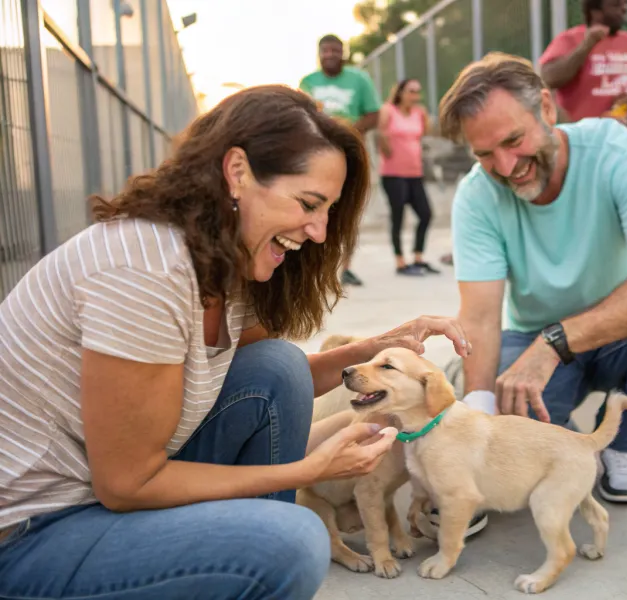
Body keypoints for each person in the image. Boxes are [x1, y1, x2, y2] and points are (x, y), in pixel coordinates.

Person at [0, 85, 471, 599]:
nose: (318, 232)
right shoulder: (143, 271)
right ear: (238, 172)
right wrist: (306, 470)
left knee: (279, 366)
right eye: (309, 203)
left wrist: (377, 349)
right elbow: (127, 484)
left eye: (328, 211)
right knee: (289, 543)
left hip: (99, 498)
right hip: (32, 534)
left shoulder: (227, 266)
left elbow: (282, 383)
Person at [435, 51, 627, 528]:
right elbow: (481, 317)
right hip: (530, 339)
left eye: (514, 140)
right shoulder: (476, 195)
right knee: (506, 422)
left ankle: (621, 443)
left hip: (621, 333)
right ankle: (563, 435)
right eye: (485, 154)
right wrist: (477, 431)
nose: (505, 167)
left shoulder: (617, 151)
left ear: (547, 109)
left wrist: (557, 342)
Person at [299, 33, 382, 287]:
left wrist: (346, 133)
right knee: (314, 207)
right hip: (317, 156)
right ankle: (313, 267)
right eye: (325, 51)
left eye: (335, 50)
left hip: (350, 154)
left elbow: (374, 115)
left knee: (348, 211)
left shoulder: (359, 79)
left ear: (343, 53)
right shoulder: (308, 82)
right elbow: (300, 115)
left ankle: (345, 267)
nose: (330, 55)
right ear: (319, 54)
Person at [539, 0, 627, 131]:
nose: (624, 8)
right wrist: (586, 46)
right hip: (581, 135)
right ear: (595, 11)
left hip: (623, 134)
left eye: (626, 4)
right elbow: (548, 77)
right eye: (616, 5)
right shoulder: (570, 39)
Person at [377, 79, 439, 276]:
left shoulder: (419, 113)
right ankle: (400, 262)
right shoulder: (388, 110)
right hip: (393, 174)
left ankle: (418, 258)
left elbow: (426, 134)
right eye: (411, 91)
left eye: (417, 92)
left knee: (426, 214)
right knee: (398, 217)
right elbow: (381, 135)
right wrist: (393, 156)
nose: (415, 96)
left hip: (415, 174)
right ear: (401, 92)